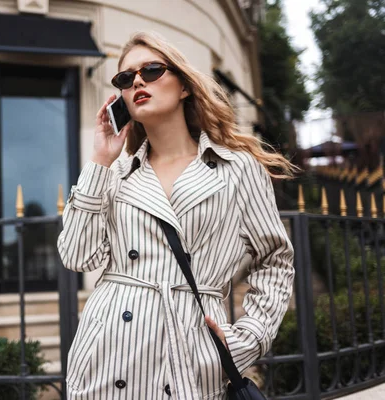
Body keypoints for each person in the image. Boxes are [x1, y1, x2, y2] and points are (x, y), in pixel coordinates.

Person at [57, 31, 296, 400]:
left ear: (184, 86)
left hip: (192, 353)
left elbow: (275, 261)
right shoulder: (116, 173)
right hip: (108, 353)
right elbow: (76, 256)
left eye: (151, 70)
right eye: (125, 78)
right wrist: (101, 159)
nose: (137, 80)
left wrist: (250, 337)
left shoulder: (235, 169)